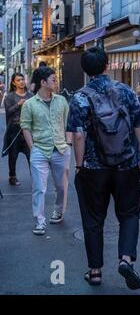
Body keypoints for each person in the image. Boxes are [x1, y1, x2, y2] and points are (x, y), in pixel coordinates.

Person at [67, 47, 140, 289]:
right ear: (106, 65)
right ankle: (125, 259)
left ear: (85, 69)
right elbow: (139, 127)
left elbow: (78, 135)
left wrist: (80, 166)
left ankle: (95, 271)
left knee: (93, 219)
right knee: (129, 213)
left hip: (93, 167)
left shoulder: (79, 97)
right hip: (126, 165)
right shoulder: (126, 92)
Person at [20, 66, 72, 235]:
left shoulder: (62, 101)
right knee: (39, 187)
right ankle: (39, 221)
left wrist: (68, 142)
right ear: (43, 82)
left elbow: (68, 123)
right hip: (39, 150)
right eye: (53, 80)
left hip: (61, 149)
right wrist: (32, 147)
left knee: (62, 186)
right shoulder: (29, 104)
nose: (56, 82)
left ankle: (58, 211)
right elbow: (25, 126)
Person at [2, 73, 32, 186]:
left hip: (28, 131)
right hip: (14, 131)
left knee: (32, 155)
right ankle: (12, 177)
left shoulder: (30, 96)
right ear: (14, 83)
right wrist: (18, 104)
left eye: (22, 79)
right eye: (18, 80)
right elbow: (8, 112)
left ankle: (35, 176)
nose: (21, 82)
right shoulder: (9, 96)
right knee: (13, 156)